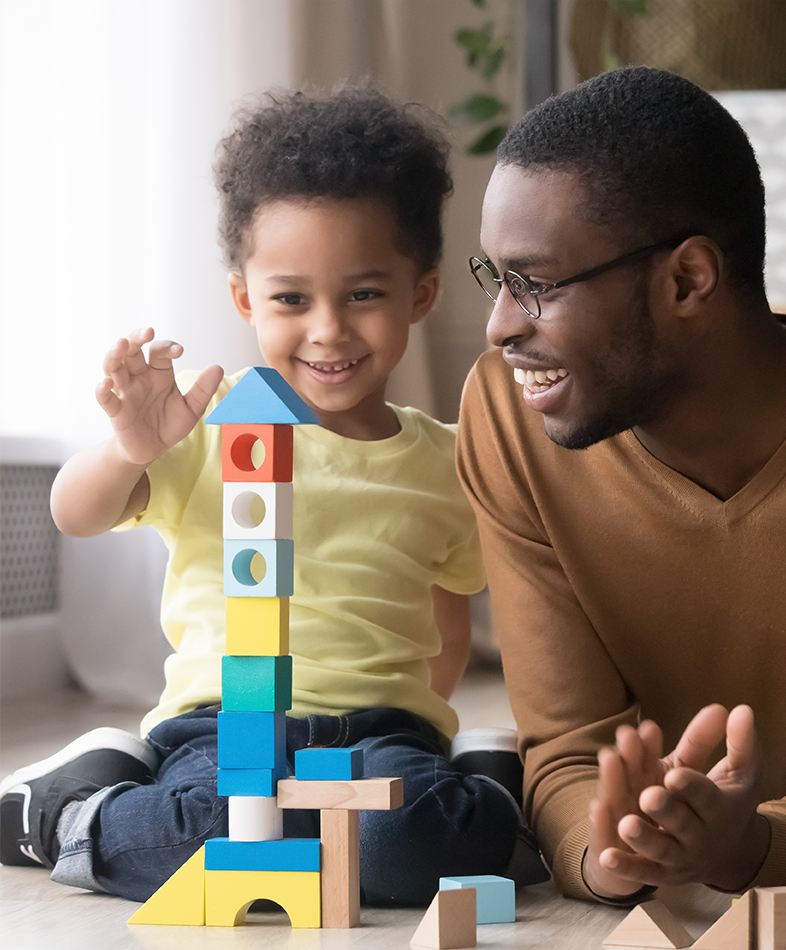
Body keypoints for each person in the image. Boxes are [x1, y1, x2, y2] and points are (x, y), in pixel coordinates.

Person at [0, 85, 546, 905]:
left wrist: (425, 719)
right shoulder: (204, 422)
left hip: (380, 733)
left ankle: (479, 775)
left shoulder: (444, 460)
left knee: (411, 845)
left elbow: (447, 614)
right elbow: (75, 513)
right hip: (220, 730)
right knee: (206, 836)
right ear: (245, 299)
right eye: (292, 299)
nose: (327, 329)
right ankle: (74, 804)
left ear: (420, 295)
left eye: (363, 294)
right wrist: (129, 448)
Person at [456, 65, 786, 905]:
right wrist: (610, 851)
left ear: (689, 279)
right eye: (496, 278)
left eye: (535, 283)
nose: (500, 325)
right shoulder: (510, 419)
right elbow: (567, 749)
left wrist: (749, 847)